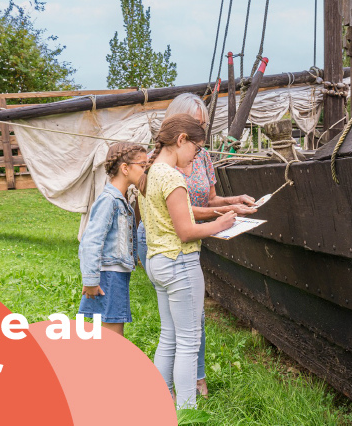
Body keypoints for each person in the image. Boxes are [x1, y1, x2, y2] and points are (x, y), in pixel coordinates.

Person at [137, 93, 257, 397]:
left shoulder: (149, 173)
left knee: (169, 336)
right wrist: (221, 223)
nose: (196, 154)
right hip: (179, 261)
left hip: (157, 259)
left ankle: (161, 396)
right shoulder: (173, 178)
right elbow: (186, 229)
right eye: (195, 146)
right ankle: (187, 410)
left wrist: (225, 206)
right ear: (181, 139)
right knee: (189, 342)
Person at [78, 143, 149, 336]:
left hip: (115, 275)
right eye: (142, 166)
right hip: (109, 276)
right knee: (114, 335)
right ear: (125, 168)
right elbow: (90, 241)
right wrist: (91, 280)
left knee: (112, 334)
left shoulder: (121, 199)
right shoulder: (109, 200)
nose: (145, 171)